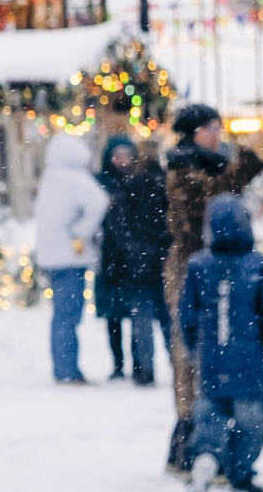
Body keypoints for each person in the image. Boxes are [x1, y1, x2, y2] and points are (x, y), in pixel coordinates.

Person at [161, 105, 263, 474]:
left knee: (211, 354)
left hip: (213, 273)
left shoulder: (209, 163)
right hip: (192, 274)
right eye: (210, 128)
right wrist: (248, 159)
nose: (217, 134)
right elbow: (216, 199)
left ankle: (206, 446)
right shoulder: (184, 170)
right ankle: (190, 445)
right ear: (193, 132)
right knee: (191, 356)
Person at [177, 195, 263, 492]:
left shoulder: (199, 266)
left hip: (212, 363)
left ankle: (205, 459)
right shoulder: (259, 267)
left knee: (210, 417)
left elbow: (187, 314)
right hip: (250, 365)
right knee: (250, 426)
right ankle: (240, 474)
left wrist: (194, 349)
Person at [32, 130, 110, 384]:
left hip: (52, 257)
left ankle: (62, 367)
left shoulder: (50, 178)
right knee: (69, 316)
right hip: (70, 255)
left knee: (60, 316)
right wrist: (81, 232)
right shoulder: (75, 179)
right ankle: (68, 371)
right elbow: (100, 202)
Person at [96, 134, 172, 386]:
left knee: (142, 318)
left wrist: (131, 252)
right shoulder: (159, 186)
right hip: (145, 262)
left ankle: (143, 367)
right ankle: (164, 365)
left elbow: (119, 228)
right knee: (159, 318)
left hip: (133, 264)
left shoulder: (126, 189)